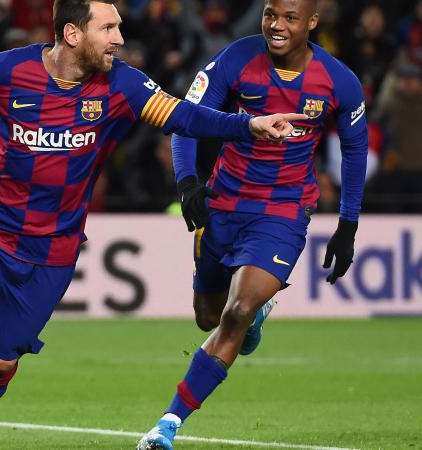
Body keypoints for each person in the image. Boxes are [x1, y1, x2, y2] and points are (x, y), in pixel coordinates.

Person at [0, 1, 304, 448]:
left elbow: (183, 115)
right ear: (72, 33)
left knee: (0, 361)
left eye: (119, 26)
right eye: (109, 28)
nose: (120, 38)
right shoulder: (7, 70)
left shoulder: (123, 86)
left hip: (51, 251)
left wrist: (247, 126)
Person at [137, 0, 368, 448]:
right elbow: (185, 119)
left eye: (289, 18)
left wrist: (349, 223)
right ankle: (256, 315)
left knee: (236, 311)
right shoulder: (236, 58)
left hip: (283, 210)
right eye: (270, 15)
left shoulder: (340, 81)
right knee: (208, 317)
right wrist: (187, 183)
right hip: (224, 202)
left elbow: (355, 150)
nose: (277, 26)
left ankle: (168, 423)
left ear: (312, 23)